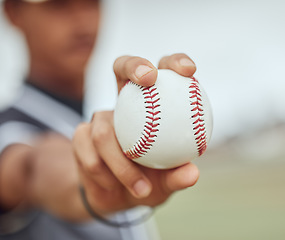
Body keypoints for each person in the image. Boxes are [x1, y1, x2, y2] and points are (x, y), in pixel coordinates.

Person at [0, 0, 200, 239]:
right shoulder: (9, 133)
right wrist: (87, 181)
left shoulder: (108, 130)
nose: (83, 22)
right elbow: (34, 167)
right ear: (12, 12)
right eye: (58, 5)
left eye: (91, 2)